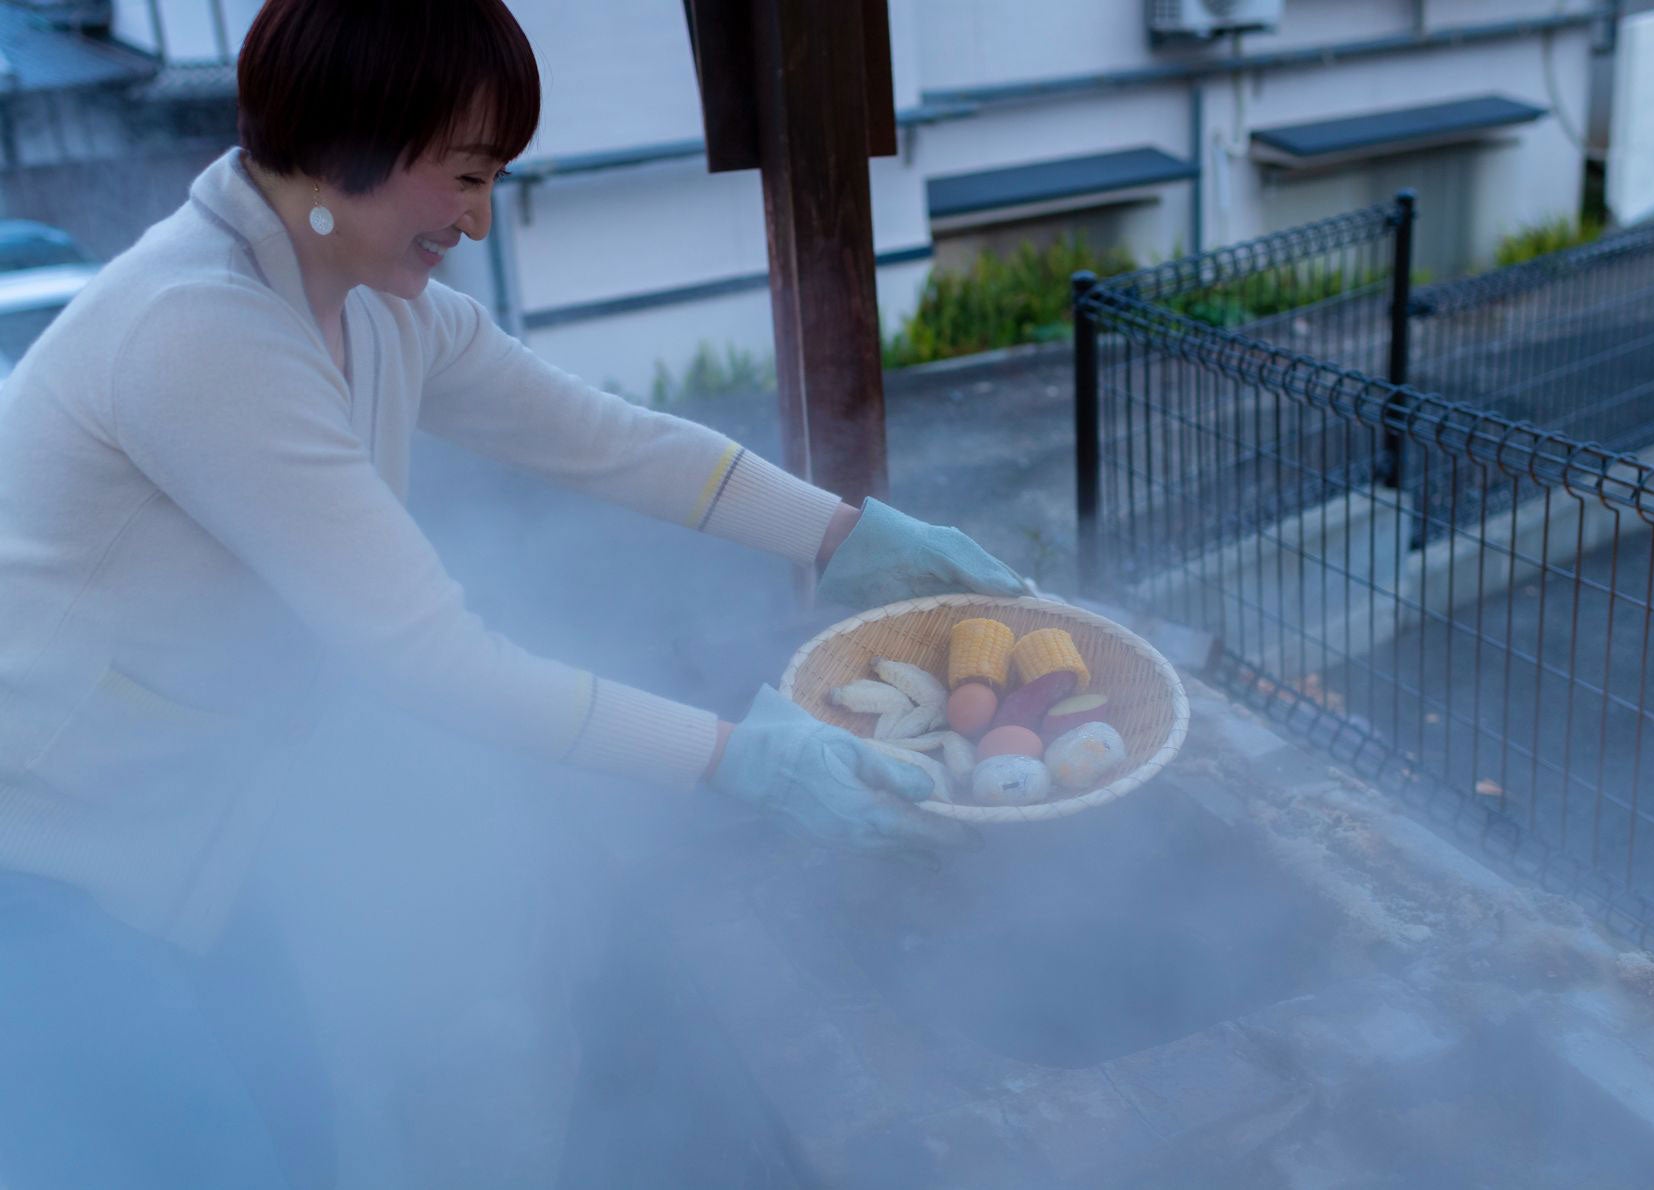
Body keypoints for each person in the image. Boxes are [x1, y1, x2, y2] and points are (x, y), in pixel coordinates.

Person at [0, 1, 1025, 1185]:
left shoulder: (371, 306)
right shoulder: (199, 330)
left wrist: (843, 533)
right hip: (41, 868)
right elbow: (434, 659)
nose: (480, 220)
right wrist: (742, 753)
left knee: (299, 1140)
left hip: (193, 847)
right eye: (466, 176)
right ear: (354, 138)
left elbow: (602, 438)